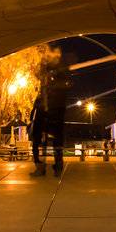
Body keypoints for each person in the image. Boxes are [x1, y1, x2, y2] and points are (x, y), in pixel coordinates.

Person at [37, 49, 71, 177]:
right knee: (55, 143)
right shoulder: (59, 82)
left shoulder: (53, 83)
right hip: (57, 115)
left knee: (46, 142)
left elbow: (48, 97)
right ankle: (56, 166)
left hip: (52, 114)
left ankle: (48, 167)